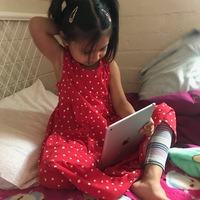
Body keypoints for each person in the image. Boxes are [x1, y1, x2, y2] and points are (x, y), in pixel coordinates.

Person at [29, 0, 177, 199]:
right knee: (52, 167)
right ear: (65, 40)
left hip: (110, 131)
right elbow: (36, 25)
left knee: (164, 112)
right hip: (75, 137)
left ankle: (150, 179)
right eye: (87, 51)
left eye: (102, 48)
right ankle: (107, 183)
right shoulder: (61, 59)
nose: (95, 56)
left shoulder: (108, 65)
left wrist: (139, 121)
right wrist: (70, 25)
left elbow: (121, 103)